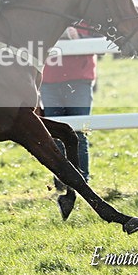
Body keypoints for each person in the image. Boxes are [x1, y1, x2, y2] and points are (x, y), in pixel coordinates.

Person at [40, 26, 96, 185]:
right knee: (55, 134)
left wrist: (79, 37)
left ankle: (81, 181)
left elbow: (103, 41)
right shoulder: (47, 12)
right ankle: (61, 181)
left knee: (78, 132)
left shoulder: (88, 14)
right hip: (49, 81)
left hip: (79, 80)